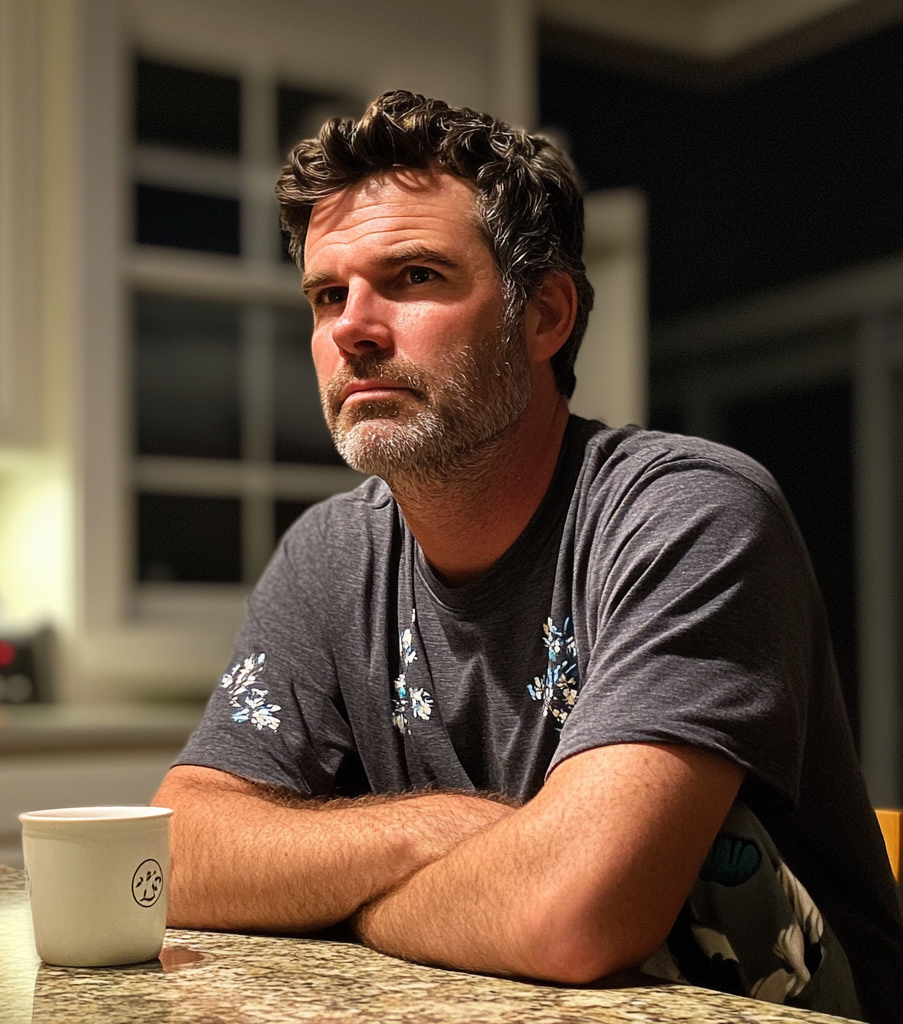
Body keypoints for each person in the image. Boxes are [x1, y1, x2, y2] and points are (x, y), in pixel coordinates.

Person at [153, 91, 903, 1022]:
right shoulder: (329, 555)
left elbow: (568, 914)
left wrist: (331, 901)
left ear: (544, 316)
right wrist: (442, 833)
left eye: (415, 275)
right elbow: (176, 851)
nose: (352, 326)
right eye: (325, 294)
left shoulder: (686, 513)